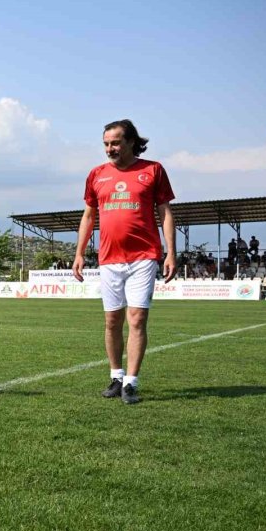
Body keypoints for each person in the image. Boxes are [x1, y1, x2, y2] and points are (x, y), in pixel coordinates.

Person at [72, 119, 176, 404]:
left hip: (144, 256)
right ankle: (116, 376)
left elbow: (165, 212)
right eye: (106, 144)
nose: (110, 149)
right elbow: (88, 216)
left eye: (115, 143)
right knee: (111, 320)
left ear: (131, 141)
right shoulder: (96, 175)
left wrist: (171, 251)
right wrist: (80, 252)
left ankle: (131, 382)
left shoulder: (152, 170)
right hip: (109, 259)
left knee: (137, 318)